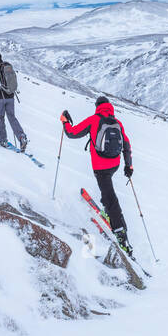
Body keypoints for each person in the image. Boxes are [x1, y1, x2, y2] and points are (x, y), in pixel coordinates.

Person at [62, 96, 133, 255]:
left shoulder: (94, 119)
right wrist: (129, 166)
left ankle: (120, 232)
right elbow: (127, 145)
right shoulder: (118, 123)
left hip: (100, 167)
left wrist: (65, 122)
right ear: (109, 107)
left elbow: (72, 133)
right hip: (114, 164)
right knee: (107, 190)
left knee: (110, 196)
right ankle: (108, 209)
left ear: (97, 106)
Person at [0, 53, 28, 152]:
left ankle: (3, 140)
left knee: (0, 117)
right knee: (12, 117)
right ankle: (21, 137)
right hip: (11, 96)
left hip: (0, 97)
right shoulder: (7, 67)